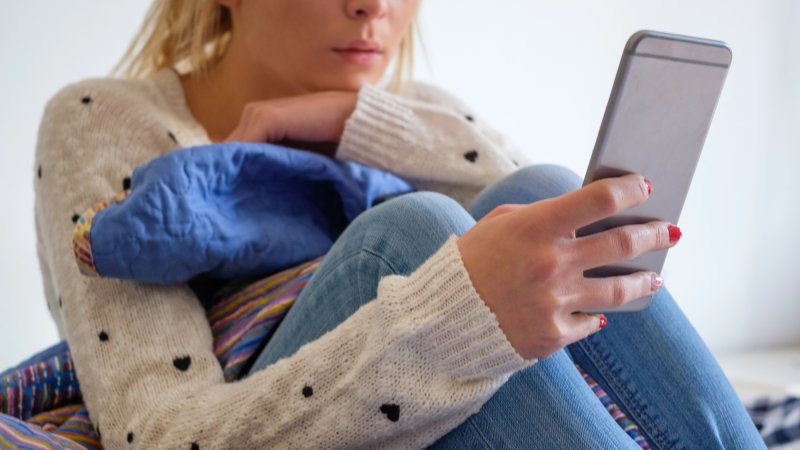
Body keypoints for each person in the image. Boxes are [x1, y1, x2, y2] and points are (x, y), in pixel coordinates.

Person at [32, 0, 765, 448]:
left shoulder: (414, 106)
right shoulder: (104, 119)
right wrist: (455, 322)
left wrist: (364, 122)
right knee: (414, 232)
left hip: (423, 412)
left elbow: (537, 213)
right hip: (279, 420)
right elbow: (163, 434)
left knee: (546, 188)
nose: (373, 4)